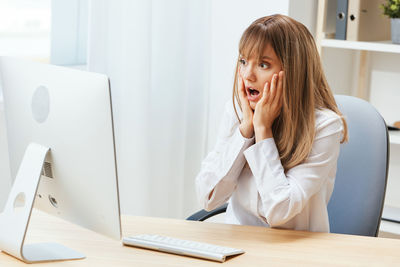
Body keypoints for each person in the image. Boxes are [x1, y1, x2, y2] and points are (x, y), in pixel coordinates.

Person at [195, 14, 348, 233]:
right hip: (239, 247)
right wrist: (246, 131)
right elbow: (208, 197)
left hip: (294, 252)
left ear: (294, 71)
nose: (248, 75)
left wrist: (263, 130)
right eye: (243, 61)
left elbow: (279, 211)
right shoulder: (237, 111)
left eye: (263, 64)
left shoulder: (325, 127)